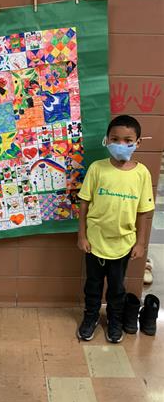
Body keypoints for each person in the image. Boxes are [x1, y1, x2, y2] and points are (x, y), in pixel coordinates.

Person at [77, 114, 154, 343]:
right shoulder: (97, 169)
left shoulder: (142, 174)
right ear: (107, 140)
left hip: (123, 244)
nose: (121, 145)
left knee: (117, 288)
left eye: (127, 140)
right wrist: (81, 235)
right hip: (94, 241)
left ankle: (115, 320)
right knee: (93, 285)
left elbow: (144, 212)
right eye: (115, 139)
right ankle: (90, 317)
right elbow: (84, 203)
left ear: (138, 142)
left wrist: (140, 243)